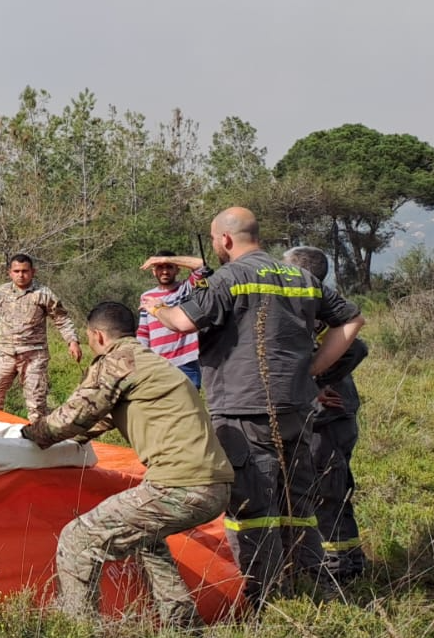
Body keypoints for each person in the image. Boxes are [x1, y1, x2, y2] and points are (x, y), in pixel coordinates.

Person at [143, 207, 363, 604]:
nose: (215, 246)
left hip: (242, 409)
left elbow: (181, 322)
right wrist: (311, 372)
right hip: (298, 408)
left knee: (251, 505)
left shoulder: (231, 277)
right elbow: (351, 323)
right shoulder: (301, 277)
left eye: (214, 240)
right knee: (297, 500)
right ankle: (311, 584)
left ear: (225, 240)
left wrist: (154, 307)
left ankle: (264, 595)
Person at [22, 301, 233, 627]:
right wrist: (66, 440)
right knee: (147, 542)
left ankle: (77, 630)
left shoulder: (118, 360)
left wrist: (29, 435)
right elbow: (97, 419)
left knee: (77, 540)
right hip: (212, 486)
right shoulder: (149, 363)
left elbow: (76, 414)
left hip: (179, 485)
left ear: (97, 336)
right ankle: (183, 626)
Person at [281, 245, 367, 583]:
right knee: (332, 490)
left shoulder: (316, 309)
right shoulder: (311, 306)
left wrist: (315, 380)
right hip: (331, 415)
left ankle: (336, 571)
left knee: (326, 493)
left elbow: (356, 347)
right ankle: (349, 562)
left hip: (329, 418)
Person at [0, 254, 82, 421]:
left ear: (33, 271)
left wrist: (72, 341)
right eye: (16, 271)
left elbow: (61, 318)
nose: (21, 275)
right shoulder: (1, 293)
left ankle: (37, 441)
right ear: (10, 273)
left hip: (34, 354)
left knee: (36, 404)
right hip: (5, 353)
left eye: (25, 271)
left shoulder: (43, 294)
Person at [135, 250, 207, 387]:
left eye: (169, 267)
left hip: (186, 363)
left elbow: (201, 266)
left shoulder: (186, 290)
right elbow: (144, 332)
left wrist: (163, 259)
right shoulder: (147, 296)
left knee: (189, 405)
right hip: (158, 364)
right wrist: (141, 360)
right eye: (160, 267)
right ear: (153, 271)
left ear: (177, 270)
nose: (165, 271)